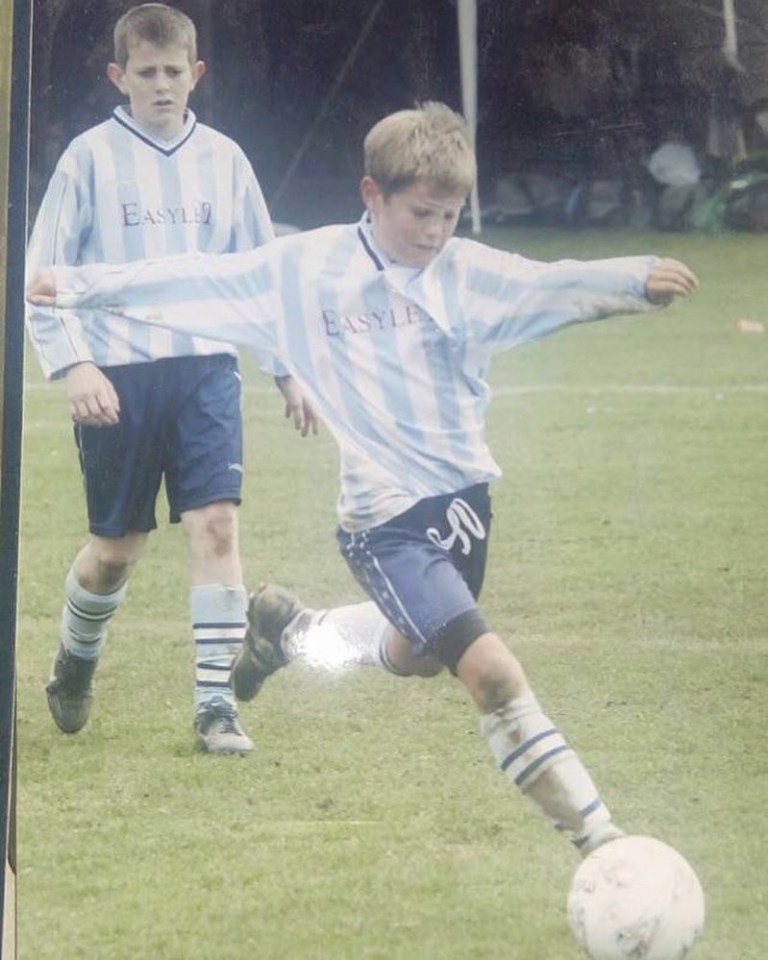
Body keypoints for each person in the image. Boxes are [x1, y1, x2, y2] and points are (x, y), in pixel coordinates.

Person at [28, 102, 699, 853]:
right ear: (371, 195)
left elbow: (547, 286)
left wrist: (633, 280)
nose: (436, 231)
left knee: (416, 656)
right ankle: (605, 845)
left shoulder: (463, 273)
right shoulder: (305, 272)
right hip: (385, 525)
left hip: (465, 508)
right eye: (420, 213)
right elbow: (197, 278)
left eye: (450, 214)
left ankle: (297, 634)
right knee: (494, 675)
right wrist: (80, 287)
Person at [25, 3, 316, 755]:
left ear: (197, 74)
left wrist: (287, 372)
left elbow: (261, 277)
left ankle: (216, 704)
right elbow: (42, 277)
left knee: (215, 525)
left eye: (173, 72)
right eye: (145, 73)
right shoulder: (87, 160)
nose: (161, 85)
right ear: (118, 77)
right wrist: (76, 363)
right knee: (115, 551)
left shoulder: (226, 161)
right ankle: (75, 661)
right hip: (117, 377)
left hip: (206, 369)